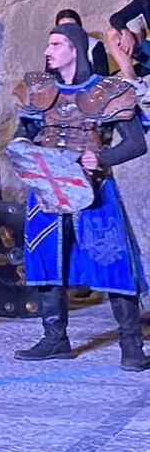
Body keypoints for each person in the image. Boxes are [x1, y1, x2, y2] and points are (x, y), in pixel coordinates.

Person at [11, 22, 146, 369]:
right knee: (44, 259)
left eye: (56, 43)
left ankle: (131, 347)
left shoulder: (110, 91)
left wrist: (102, 157)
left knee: (112, 260)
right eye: (49, 43)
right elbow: (21, 136)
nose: (49, 50)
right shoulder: (38, 91)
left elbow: (136, 143)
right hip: (47, 188)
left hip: (95, 187)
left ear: (74, 48)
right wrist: (28, 156)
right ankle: (55, 338)